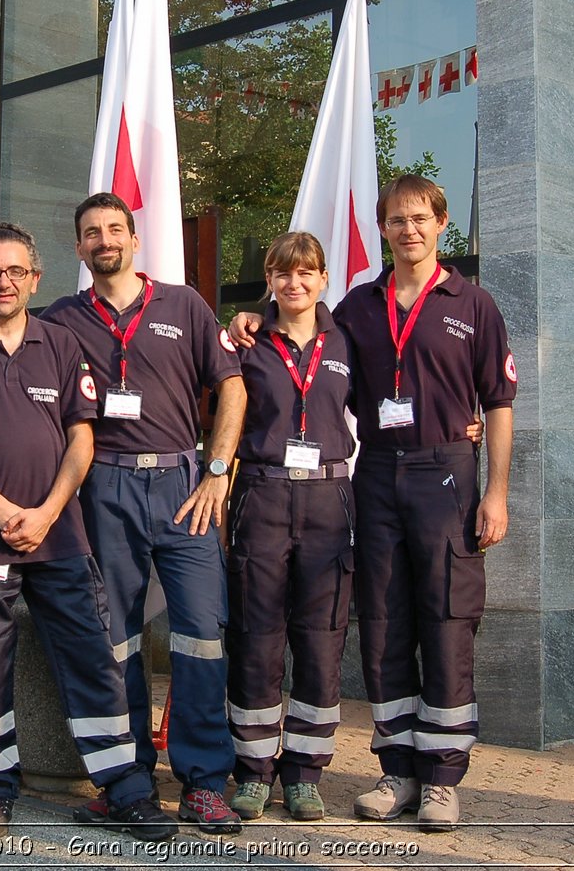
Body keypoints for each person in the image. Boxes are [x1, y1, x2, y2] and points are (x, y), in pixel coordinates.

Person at [0, 193, 245, 834]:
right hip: (102, 487)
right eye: (90, 233)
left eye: (114, 230)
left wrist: (218, 469)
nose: (104, 240)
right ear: (77, 250)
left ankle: (204, 783)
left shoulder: (185, 304)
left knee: (201, 633)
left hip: (182, 483)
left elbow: (232, 385)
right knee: (117, 640)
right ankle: (125, 780)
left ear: (134, 239)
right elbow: (0, 325)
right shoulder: (62, 320)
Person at [229, 175, 516, 831]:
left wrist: (496, 491)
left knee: (445, 619)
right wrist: (251, 317)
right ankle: (397, 771)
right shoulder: (358, 306)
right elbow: (300, 334)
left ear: (442, 224)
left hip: (445, 472)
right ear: (383, 229)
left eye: (420, 219)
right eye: (396, 220)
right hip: (376, 472)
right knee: (383, 621)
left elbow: (498, 406)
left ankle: (442, 778)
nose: (408, 229)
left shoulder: (473, 305)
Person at [0, 221, 176, 842]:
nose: (3, 282)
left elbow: (82, 436)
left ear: (36, 278)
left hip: (59, 536)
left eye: (15, 271)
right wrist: (4, 511)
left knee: (90, 658)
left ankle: (127, 790)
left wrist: (49, 510)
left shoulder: (59, 342)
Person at [224, 232, 358, 822]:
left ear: (323, 278)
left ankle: (304, 774)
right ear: (270, 281)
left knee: (322, 637)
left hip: (330, 499)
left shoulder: (348, 341)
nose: (294, 284)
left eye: (306, 274)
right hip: (264, 494)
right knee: (257, 636)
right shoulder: (246, 343)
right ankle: (253, 771)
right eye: (282, 274)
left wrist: (469, 428)